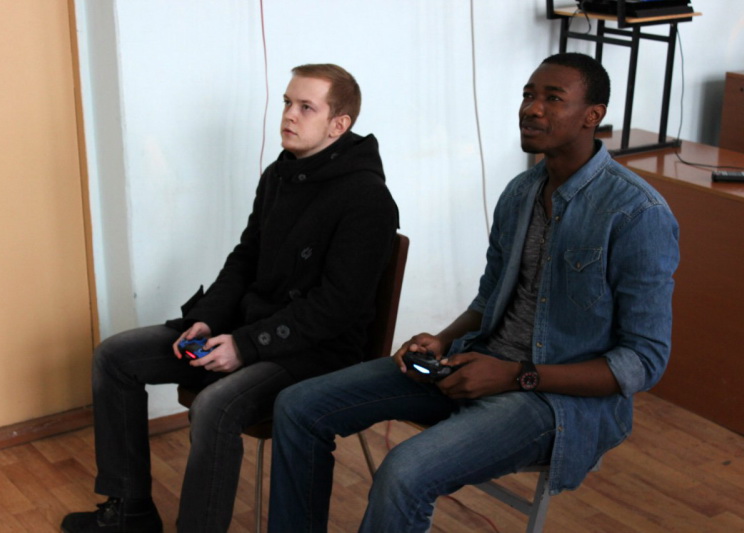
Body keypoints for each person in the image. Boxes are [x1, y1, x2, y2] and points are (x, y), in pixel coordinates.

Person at [267, 52, 680, 533]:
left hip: (554, 402)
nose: (531, 108)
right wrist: (442, 339)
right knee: (297, 406)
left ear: (593, 115)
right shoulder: (520, 192)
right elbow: (489, 299)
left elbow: (644, 360)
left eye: (552, 98)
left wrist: (517, 375)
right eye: (528, 95)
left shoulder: (637, 213)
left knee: (404, 471)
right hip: (475, 364)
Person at [61, 64, 399, 533]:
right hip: (249, 331)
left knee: (214, 406)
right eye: (287, 102)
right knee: (115, 357)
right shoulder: (279, 175)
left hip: (316, 354)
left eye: (306, 107)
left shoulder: (368, 199)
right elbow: (245, 259)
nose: (289, 115)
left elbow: (336, 309)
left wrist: (246, 345)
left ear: (338, 125)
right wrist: (206, 319)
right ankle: (129, 511)